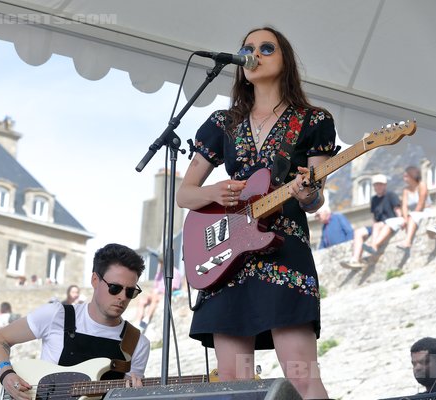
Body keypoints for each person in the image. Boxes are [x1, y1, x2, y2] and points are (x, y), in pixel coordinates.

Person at [176, 27, 335, 399]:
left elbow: (314, 203)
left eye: (267, 48)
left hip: (284, 252)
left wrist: (308, 193)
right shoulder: (222, 123)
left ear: (285, 61)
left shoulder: (313, 121)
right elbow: (185, 195)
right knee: (234, 383)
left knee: (302, 373)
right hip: (228, 252)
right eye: (247, 48)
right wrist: (213, 190)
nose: (255, 54)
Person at [0, 243, 150, 399]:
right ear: (95, 279)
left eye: (130, 291)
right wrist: (6, 374)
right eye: (114, 288)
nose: (122, 297)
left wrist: (134, 396)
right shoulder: (56, 315)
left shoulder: (137, 343)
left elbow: (125, 394)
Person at [340, 174, 402, 269]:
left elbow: (398, 211)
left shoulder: (391, 195)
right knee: (358, 232)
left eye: (380, 184)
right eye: (376, 184)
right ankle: (355, 259)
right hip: (378, 225)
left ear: (385, 185)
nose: (378, 187)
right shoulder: (374, 199)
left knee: (377, 225)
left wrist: (401, 222)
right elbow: (374, 217)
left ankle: (373, 247)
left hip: (389, 223)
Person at [133, 263, 182, 332]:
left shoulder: (176, 273)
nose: (160, 265)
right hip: (156, 293)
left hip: (166, 294)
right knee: (142, 300)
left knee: (154, 298)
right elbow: (155, 287)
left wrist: (160, 293)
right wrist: (153, 293)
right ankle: (137, 322)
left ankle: (146, 319)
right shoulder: (159, 273)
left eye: (161, 263)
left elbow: (173, 288)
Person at [395, 166, 432, 251]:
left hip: (425, 211)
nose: (404, 178)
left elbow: (421, 203)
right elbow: (404, 206)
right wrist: (405, 218)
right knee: (401, 220)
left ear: (412, 176)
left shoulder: (422, 185)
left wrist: (411, 215)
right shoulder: (406, 190)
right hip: (413, 214)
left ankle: (407, 241)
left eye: (406, 176)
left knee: (412, 216)